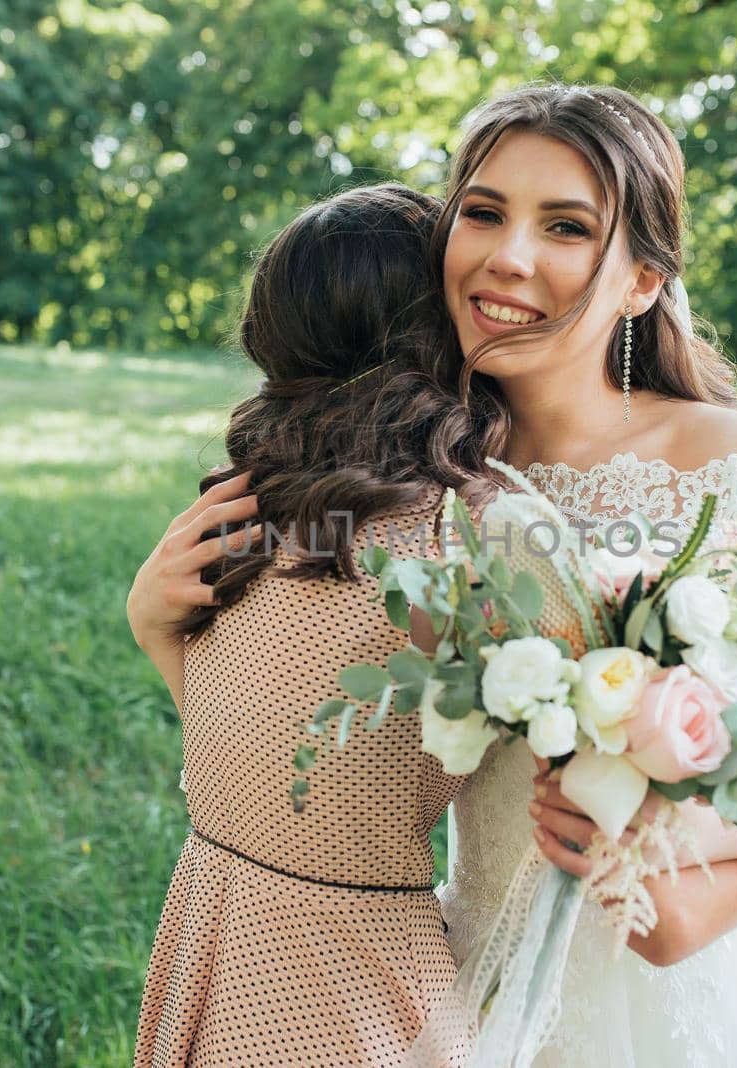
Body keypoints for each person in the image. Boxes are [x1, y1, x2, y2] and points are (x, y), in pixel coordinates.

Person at [428, 82, 737, 1066]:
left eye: (565, 227)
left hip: (703, 978)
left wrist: (692, 868)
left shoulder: (730, 461)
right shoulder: (421, 473)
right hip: (472, 968)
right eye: (482, 212)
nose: (507, 256)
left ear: (643, 279)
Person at [124, 183, 499, 1068]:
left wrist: (156, 631)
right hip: (345, 966)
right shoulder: (447, 529)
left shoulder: (267, 506)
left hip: (245, 933)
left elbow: (282, 749)